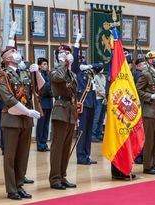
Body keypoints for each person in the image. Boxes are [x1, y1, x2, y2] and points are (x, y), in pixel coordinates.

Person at [0, 22, 42, 200]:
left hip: (25, 119)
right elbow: (9, 99)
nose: (17, 53)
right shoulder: (3, 74)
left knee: (23, 155)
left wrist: (36, 72)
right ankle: (12, 189)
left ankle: (20, 184)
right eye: (13, 51)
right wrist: (28, 111)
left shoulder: (24, 73)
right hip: (12, 118)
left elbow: (40, 89)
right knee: (11, 156)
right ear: (7, 58)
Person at [49, 44, 81, 190]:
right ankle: (55, 179)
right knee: (57, 147)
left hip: (70, 111)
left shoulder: (72, 74)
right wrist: (62, 63)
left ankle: (62, 176)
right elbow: (59, 78)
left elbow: (74, 92)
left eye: (69, 53)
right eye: (64, 53)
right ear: (59, 56)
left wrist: (77, 109)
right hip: (60, 111)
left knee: (66, 146)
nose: (68, 55)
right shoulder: (55, 71)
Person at [136, 51, 155, 175]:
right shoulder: (145, 74)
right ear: (150, 60)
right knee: (149, 141)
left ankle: (154, 163)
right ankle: (147, 166)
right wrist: (151, 96)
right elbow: (138, 91)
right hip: (149, 112)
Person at [72, 33, 97, 165]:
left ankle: (87, 155)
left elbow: (99, 66)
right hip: (82, 104)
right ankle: (81, 156)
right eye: (80, 59)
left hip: (91, 104)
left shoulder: (88, 71)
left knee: (88, 132)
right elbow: (74, 59)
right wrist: (77, 42)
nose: (82, 61)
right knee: (81, 131)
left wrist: (89, 67)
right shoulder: (76, 71)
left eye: (83, 59)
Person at [36, 57, 53, 152]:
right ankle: (40, 144)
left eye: (46, 64)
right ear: (39, 66)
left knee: (46, 124)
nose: (46, 66)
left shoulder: (48, 75)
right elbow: (43, 88)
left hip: (49, 101)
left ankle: (44, 142)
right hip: (42, 102)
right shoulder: (38, 75)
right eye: (43, 64)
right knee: (41, 124)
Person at [91, 63, 106, 142]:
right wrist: (104, 95)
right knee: (96, 117)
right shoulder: (94, 76)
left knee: (102, 117)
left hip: (104, 99)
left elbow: (105, 87)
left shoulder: (104, 77)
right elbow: (96, 88)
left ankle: (99, 134)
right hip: (98, 98)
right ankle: (93, 135)